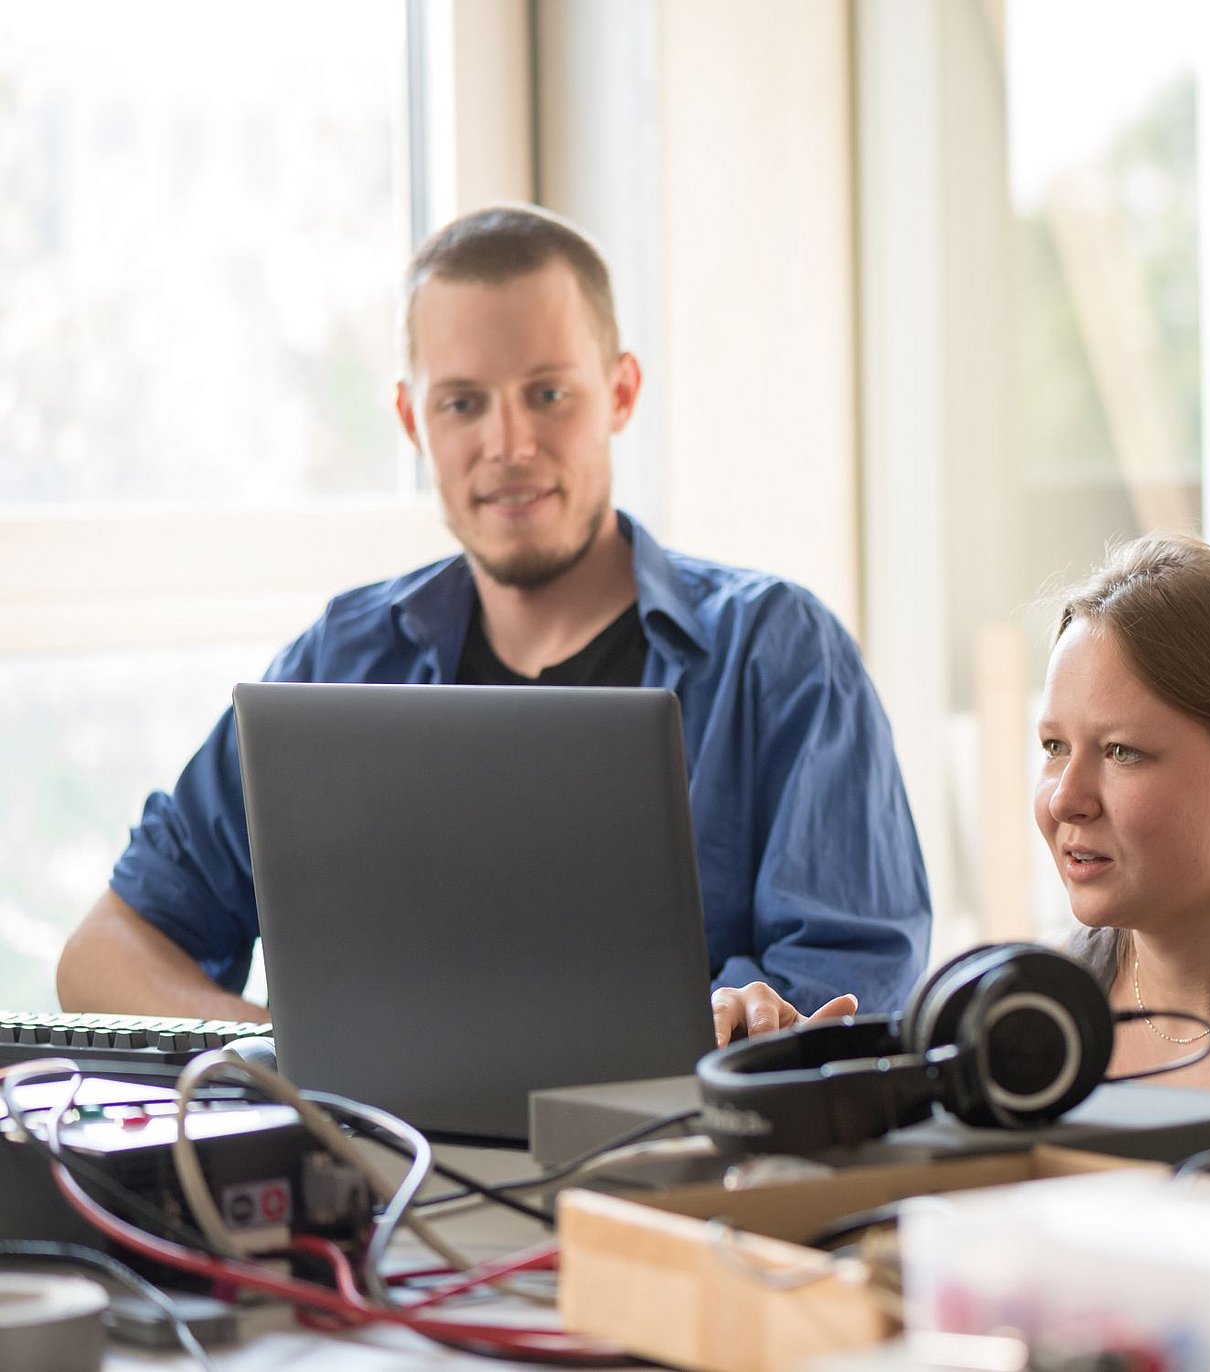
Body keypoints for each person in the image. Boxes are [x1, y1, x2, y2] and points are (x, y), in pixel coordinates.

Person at [56, 204, 930, 1028]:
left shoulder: (777, 654)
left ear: (620, 393)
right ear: (411, 419)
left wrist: (747, 1019)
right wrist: (296, 1061)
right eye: (462, 403)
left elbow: (856, 989)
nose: (508, 445)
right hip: (383, 1180)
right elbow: (106, 956)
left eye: (548, 394)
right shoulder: (336, 662)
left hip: (670, 1183)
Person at [718, 536, 1210, 1162]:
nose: (1064, 798)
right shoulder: (1031, 1008)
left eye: (1120, 753)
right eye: (1054, 746)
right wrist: (788, 1089)